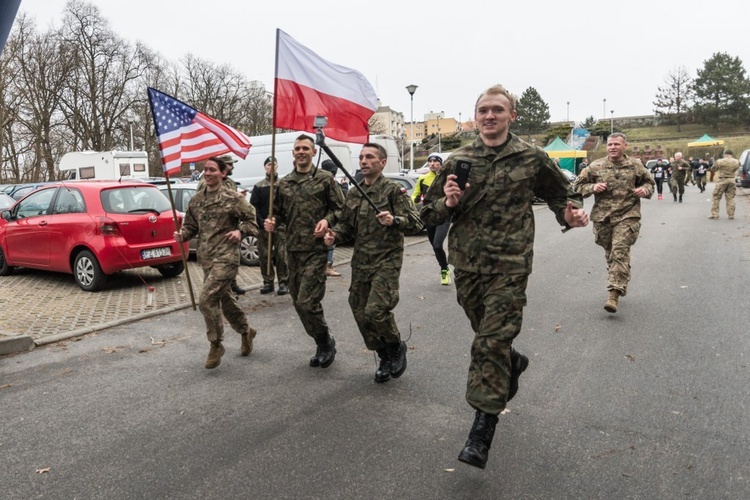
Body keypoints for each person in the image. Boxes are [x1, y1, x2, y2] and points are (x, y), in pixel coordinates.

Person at [420, 84, 589, 470]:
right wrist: (447, 202)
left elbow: (561, 194)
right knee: (488, 336)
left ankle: (482, 428)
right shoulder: (457, 159)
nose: (490, 116)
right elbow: (426, 215)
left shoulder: (531, 157)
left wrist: (571, 214)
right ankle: (512, 362)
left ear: (511, 115)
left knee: (489, 343)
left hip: (511, 265)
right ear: (475, 116)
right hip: (467, 264)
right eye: (483, 110)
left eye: (498, 109)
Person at [324, 143, 423, 382]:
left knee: (376, 310)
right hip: (361, 262)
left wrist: (394, 220)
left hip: (386, 260)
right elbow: (347, 226)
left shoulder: (392, 190)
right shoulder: (355, 192)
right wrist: (334, 234)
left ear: (382, 163)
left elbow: (416, 222)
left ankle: (395, 345)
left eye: (370, 157)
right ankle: (383, 354)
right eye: (361, 157)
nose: (364, 161)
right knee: (359, 311)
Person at [264, 135, 345, 368]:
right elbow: (277, 213)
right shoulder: (284, 183)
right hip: (291, 251)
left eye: (305, 148)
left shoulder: (324, 179)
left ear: (312, 152)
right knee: (299, 304)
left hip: (316, 250)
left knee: (307, 301)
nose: (301, 152)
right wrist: (270, 222)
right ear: (293, 153)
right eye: (297, 148)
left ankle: (325, 342)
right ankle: (322, 340)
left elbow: (340, 208)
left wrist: (327, 220)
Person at [173, 157, 259, 369]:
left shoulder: (233, 198)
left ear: (223, 173)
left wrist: (240, 231)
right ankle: (246, 331)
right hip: (207, 258)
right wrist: (182, 235)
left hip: (227, 258)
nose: (208, 173)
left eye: (212, 170)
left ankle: (216, 343)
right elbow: (191, 226)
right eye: (206, 170)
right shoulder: (195, 200)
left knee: (206, 299)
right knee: (226, 301)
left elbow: (252, 222)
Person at [574, 132, 654, 313]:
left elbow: (650, 183)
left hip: (628, 215)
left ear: (624, 146)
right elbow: (576, 187)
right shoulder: (596, 166)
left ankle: (613, 293)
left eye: (616, 144)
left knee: (619, 251)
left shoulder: (635, 165)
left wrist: (644, 190)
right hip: (603, 218)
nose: (612, 147)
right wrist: (592, 187)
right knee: (611, 254)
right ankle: (620, 275)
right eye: (610, 144)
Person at [197, 154, 246, 295]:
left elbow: (237, 206)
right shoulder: (204, 183)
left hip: (228, 240)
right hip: (210, 241)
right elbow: (201, 205)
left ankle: (231, 285)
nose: (232, 167)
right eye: (230, 164)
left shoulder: (230, 182)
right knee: (213, 293)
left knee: (214, 294)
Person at [250, 156, 289, 295]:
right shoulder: (259, 186)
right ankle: (268, 282)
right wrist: (262, 223)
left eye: (273, 164)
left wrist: (279, 221)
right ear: (265, 167)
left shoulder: (283, 184)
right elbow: (253, 207)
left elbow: (287, 206)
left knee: (281, 254)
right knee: (265, 255)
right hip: (264, 227)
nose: (271, 167)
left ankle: (284, 282)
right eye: (268, 164)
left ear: (277, 166)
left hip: (280, 226)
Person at [413, 153, 452, 285]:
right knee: (435, 247)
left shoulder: (447, 179)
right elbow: (415, 196)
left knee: (437, 244)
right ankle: (444, 266)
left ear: (441, 164)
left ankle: (444, 271)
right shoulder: (422, 179)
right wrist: (413, 204)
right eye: (430, 161)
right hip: (429, 216)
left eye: (436, 161)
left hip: (444, 215)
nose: (432, 163)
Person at [320, 159, 344, 277]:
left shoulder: (325, 181)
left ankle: (327, 265)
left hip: (328, 217)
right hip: (329, 218)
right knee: (329, 243)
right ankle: (327, 266)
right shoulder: (329, 182)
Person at [708, 149, 739, 220]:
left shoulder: (720, 161)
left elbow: (713, 169)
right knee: (730, 198)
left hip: (722, 180)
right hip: (732, 180)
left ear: (725, 154)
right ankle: (731, 214)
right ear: (731, 154)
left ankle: (715, 214)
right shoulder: (736, 161)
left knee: (716, 197)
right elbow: (736, 169)